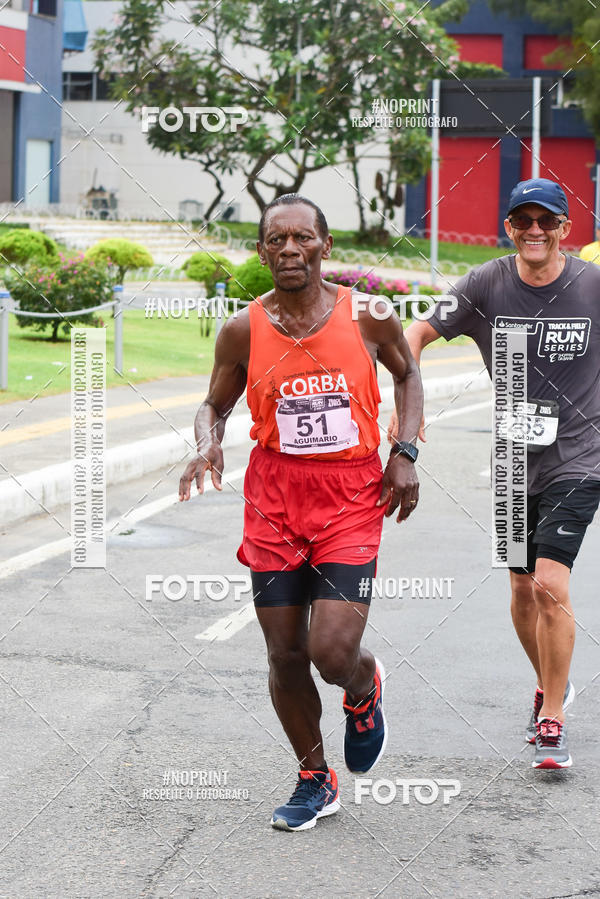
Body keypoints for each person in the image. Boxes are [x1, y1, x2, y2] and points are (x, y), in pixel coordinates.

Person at [179, 194, 423, 830]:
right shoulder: (243, 329)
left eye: (302, 239)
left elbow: (408, 373)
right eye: (276, 240)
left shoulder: (367, 315)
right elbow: (214, 404)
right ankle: (315, 777)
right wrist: (207, 442)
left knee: (330, 652)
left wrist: (405, 451)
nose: (290, 250)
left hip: (348, 495)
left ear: (325, 245)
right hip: (275, 499)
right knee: (285, 654)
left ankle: (363, 685)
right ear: (262, 251)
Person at [390, 177, 600, 770]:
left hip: (581, 456)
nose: (534, 230)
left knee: (549, 584)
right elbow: (415, 333)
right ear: (508, 227)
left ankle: (553, 717)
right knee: (519, 587)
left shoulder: (591, 285)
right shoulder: (487, 282)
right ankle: (548, 683)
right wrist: (412, 404)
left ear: (565, 229)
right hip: (511, 460)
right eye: (522, 221)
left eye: (546, 221)